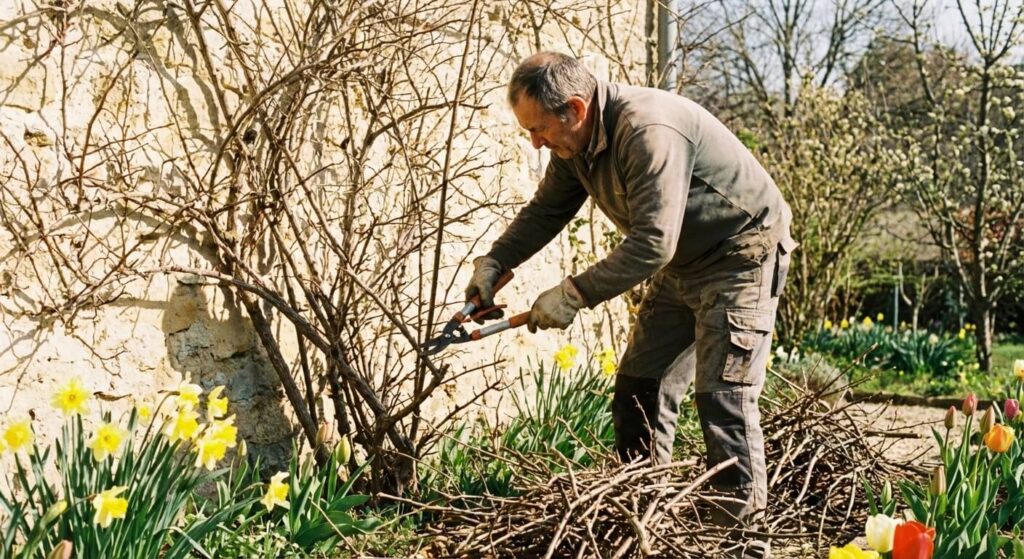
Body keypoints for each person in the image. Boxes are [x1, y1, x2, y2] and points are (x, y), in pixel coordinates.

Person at [464, 52, 795, 558]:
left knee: (724, 400)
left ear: (575, 109)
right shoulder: (576, 143)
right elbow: (548, 208)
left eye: (539, 129)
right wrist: (496, 260)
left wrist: (573, 294)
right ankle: (645, 528)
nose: (535, 142)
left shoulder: (647, 130)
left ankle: (743, 548)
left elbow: (653, 244)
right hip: (686, 263)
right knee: (640, 386)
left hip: (741, 256)